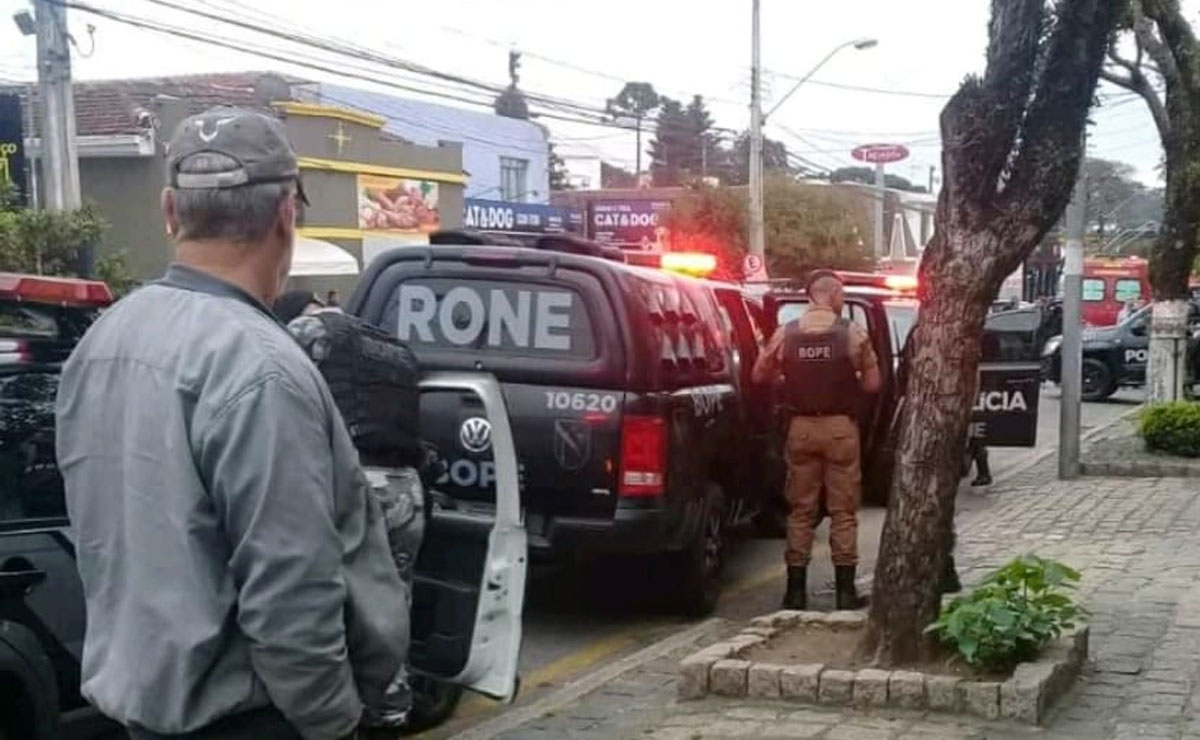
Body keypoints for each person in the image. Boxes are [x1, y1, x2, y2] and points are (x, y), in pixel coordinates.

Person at [55, 107, 407, 740]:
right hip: (256, 719)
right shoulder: (263, 366)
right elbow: (291, 596)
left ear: (169, 213)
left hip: (141, 711)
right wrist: (336, 724)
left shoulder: (101, 342)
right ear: (286, 215)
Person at [753, 270, 881, 610]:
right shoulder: (852, 333)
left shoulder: (786, 333)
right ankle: (844, 593)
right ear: (835, 294)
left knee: (801, 510)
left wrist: (788, 376)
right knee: (843, 511)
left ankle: (794, 593)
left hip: (801, 429)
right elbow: (873, 385)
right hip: (840, 430)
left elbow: (758, 374)